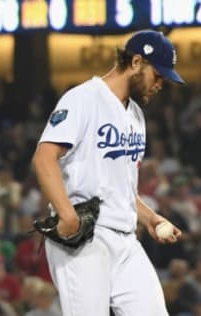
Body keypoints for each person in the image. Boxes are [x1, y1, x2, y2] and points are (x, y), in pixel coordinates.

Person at [31, 29, 183, 316]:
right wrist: (66, 214)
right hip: (86, 235)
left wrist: (150, 217)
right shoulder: (83, 99)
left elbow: (121, 187)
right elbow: (44, 157)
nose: (161, 83)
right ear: (136, 62)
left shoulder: (136, 115)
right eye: (158, 75)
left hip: (126, 239)